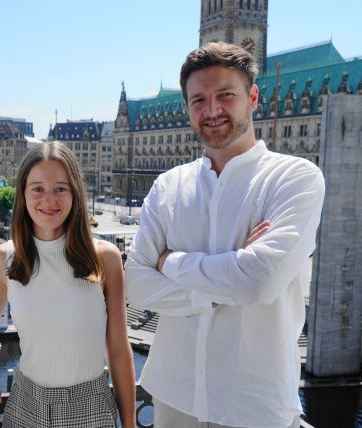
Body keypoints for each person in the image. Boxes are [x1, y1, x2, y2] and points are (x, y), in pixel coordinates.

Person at [125, 42, 325, 428]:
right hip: (174, 393)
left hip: (253, 405)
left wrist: (170, 262)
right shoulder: (167, 185)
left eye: (225, 95)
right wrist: (226, 279)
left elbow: (257, 283)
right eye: (198, 99)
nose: (212, 109)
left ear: (252, 96)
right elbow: (137, 286)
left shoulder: (295, 178)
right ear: (187, 107)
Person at [0, 142, 135, 427]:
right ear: (23, 193)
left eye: (60, 188)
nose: (49, 200)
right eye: (37, 188)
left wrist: (130, 423)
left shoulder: (105, 258)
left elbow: (119, 348)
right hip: (26, 404)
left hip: (91, 405)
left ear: (75, 194)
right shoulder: (4, 257)